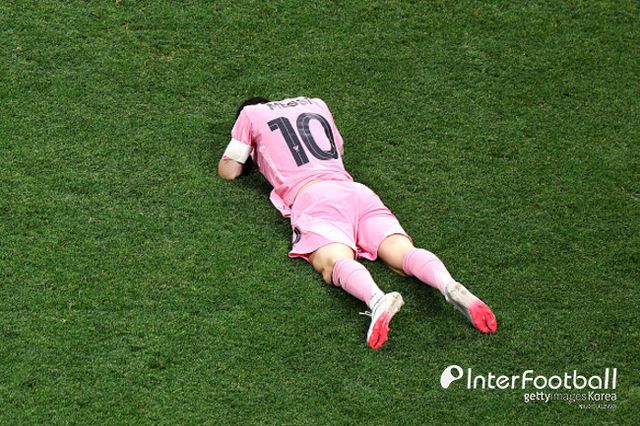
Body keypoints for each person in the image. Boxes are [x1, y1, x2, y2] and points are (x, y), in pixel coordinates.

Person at [218, 96, 497, 350]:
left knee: (333, 261)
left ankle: (377, 299)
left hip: (315, 198)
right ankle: (448, 284)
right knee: (401, 252)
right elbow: (338, 148)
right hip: (356, 192)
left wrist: (252, 153)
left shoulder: (250, 114)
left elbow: (228, 171)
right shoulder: (316, 103)